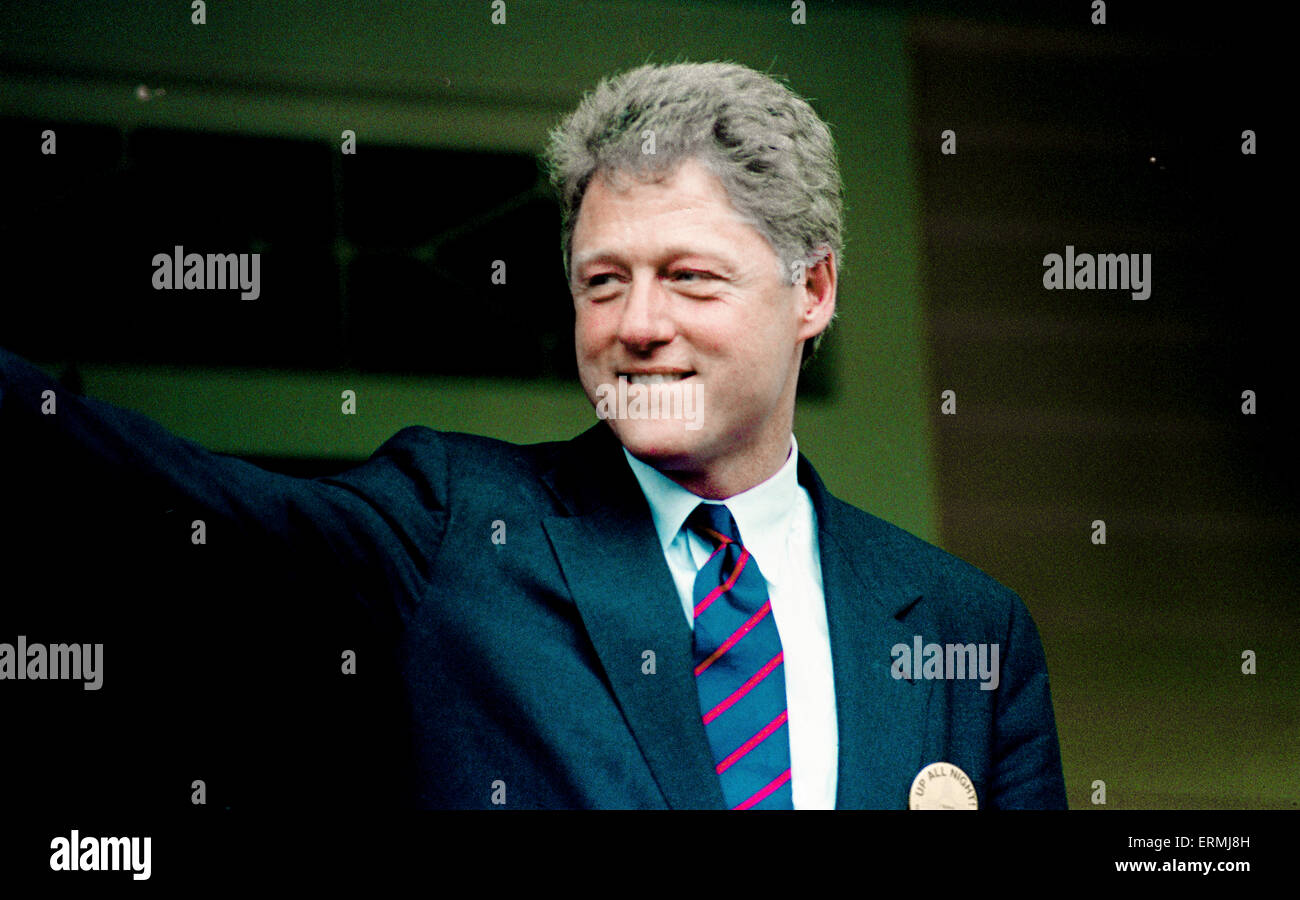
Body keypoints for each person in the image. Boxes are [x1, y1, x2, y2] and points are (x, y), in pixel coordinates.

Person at [0, 61, 1066, 809]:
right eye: (603, 282)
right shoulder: (454, 523)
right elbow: (181, 508)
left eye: (688, 277)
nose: (637, 326)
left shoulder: (969, 631)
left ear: (813, 289)